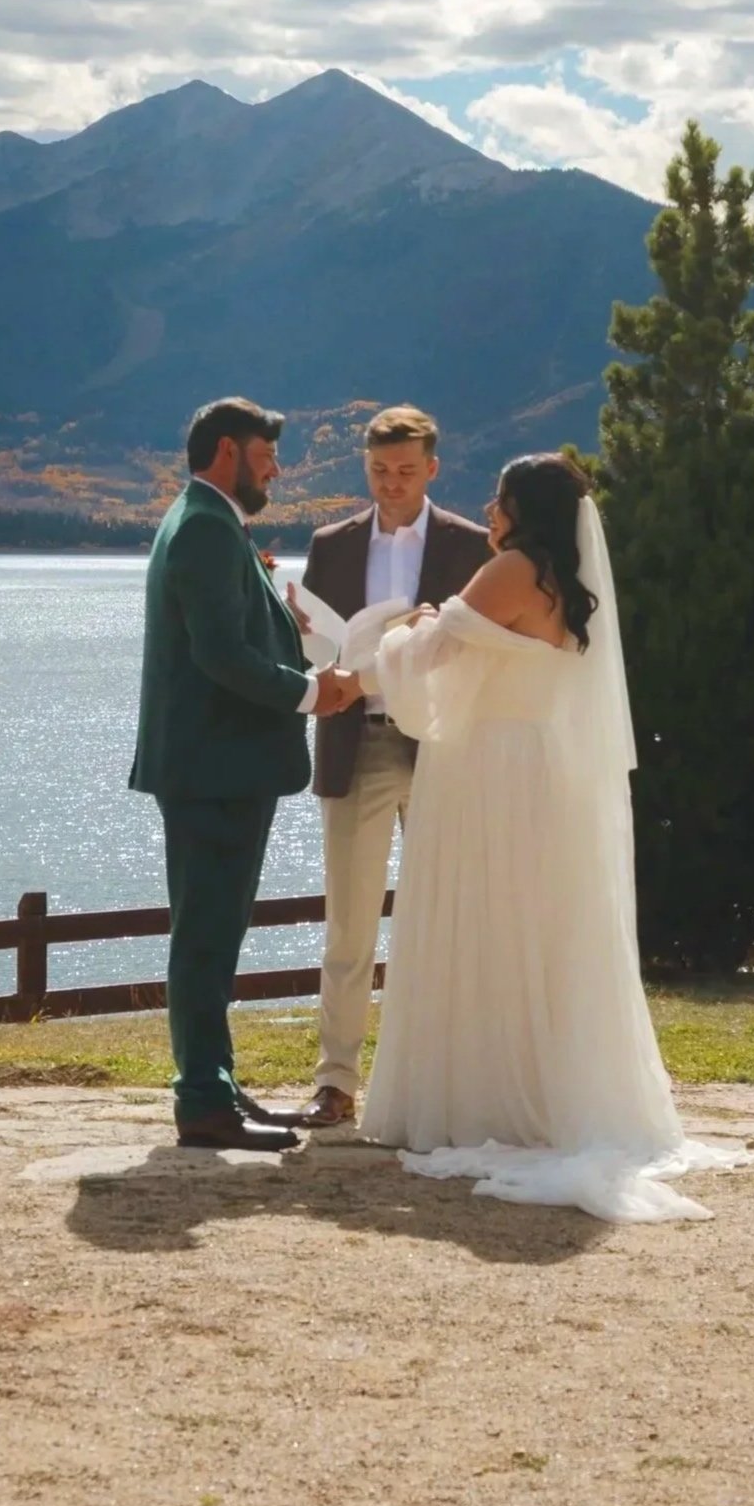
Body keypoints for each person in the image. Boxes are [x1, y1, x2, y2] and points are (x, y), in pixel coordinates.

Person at [358, 453, 744, 1221]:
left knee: (485, 923)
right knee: (535, 931)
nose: (490, 512)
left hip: (489, 769)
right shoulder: (568, 583)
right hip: (543, 768)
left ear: (524, 509)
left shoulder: (509, 571)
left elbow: (428, 658)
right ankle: (534, 1086)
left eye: (499, 500)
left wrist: (404, 630)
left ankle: (486, 1105)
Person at [129, 397, 361, 1153]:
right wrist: (311, 692)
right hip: (214, 768)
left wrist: (285, 625)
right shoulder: (202, 527)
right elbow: (219, 656)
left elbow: (230, 634)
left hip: (214, 766)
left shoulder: (208, 521)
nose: (276, 469)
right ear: (227, 451)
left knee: (213, 933)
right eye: (267, 455)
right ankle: (201, 1100)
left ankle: (216, 1086)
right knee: (205, 937)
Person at [295, 407, 490, 1130]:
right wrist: (300, 629)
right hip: (357, 742)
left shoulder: (470, 544)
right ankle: (336, 1082)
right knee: (348, 925)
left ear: (432, 468)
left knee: (451, 919)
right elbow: (315, 643)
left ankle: (452, 1083)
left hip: (444, 748)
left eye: (406, 471)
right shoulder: (331, 543)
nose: (392, 484)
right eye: (379, 470)